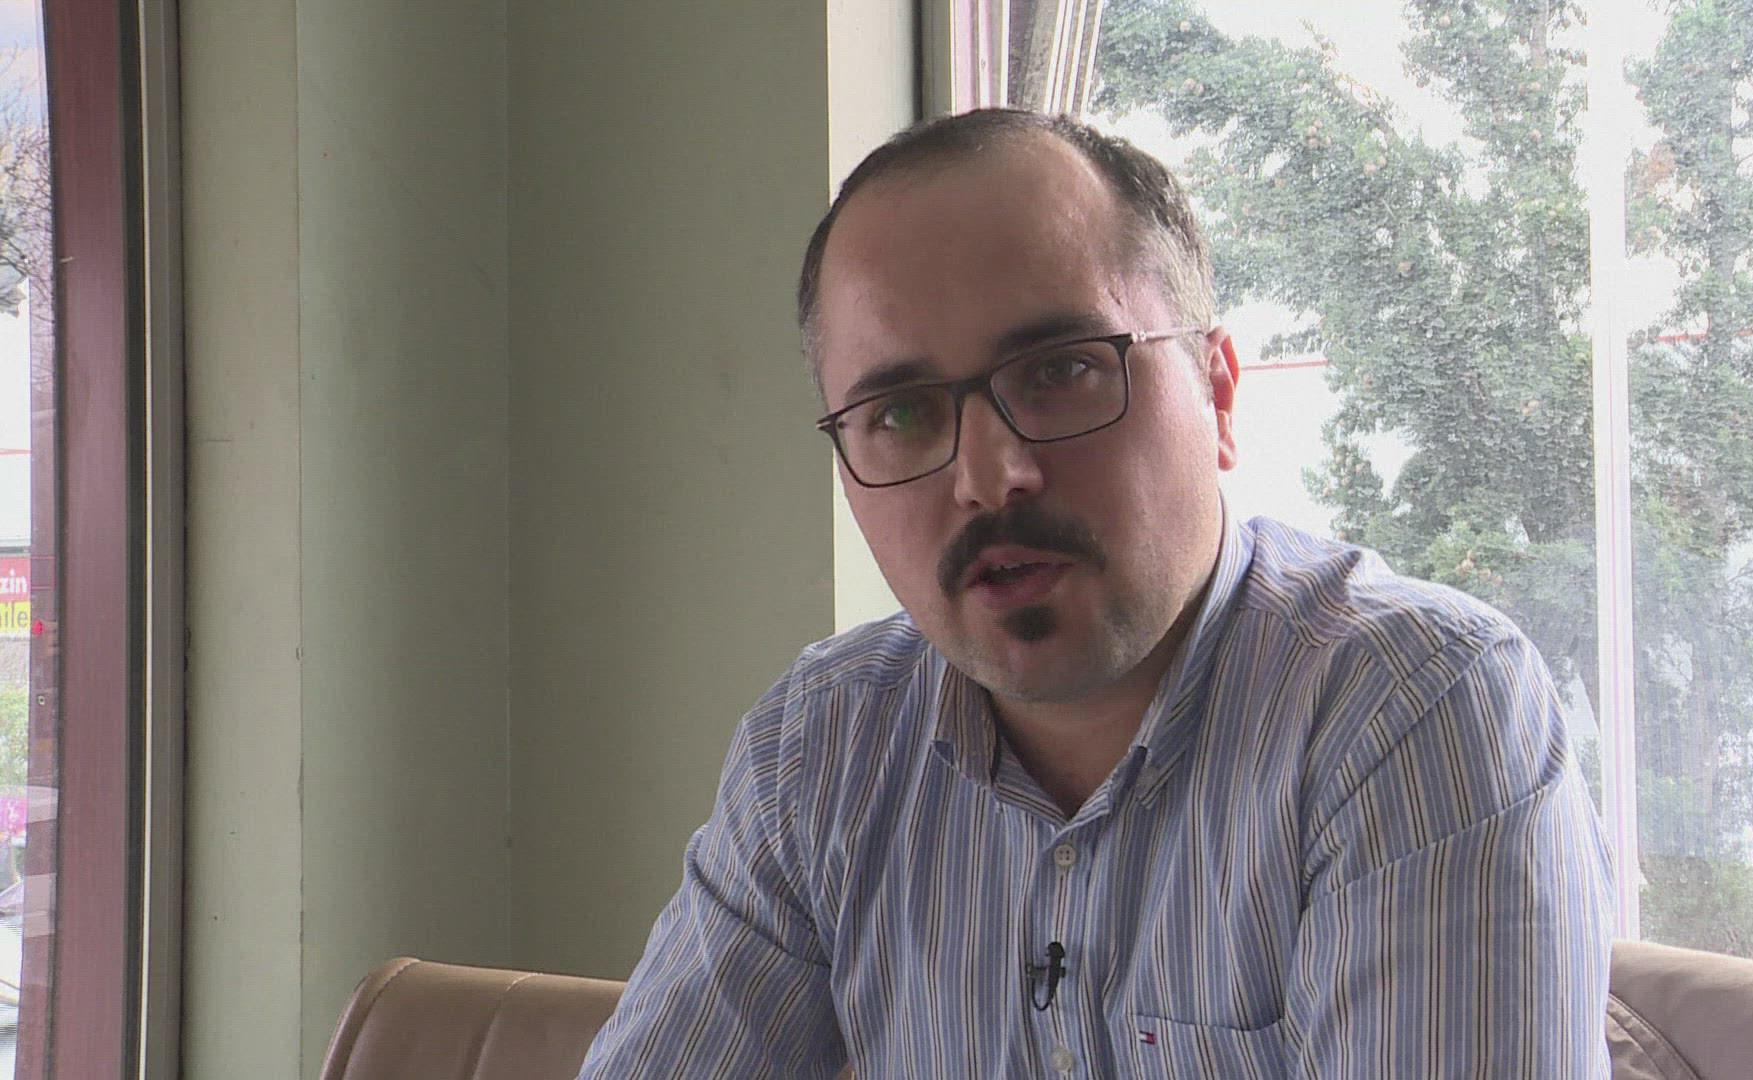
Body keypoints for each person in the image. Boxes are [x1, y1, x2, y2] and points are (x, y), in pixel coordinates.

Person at [578, 108, 1614, 1079]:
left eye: (1060, 371)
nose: (989, 476)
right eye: (901, 415)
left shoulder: (1412, 709)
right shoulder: (822, 749)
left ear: (1217, 393)